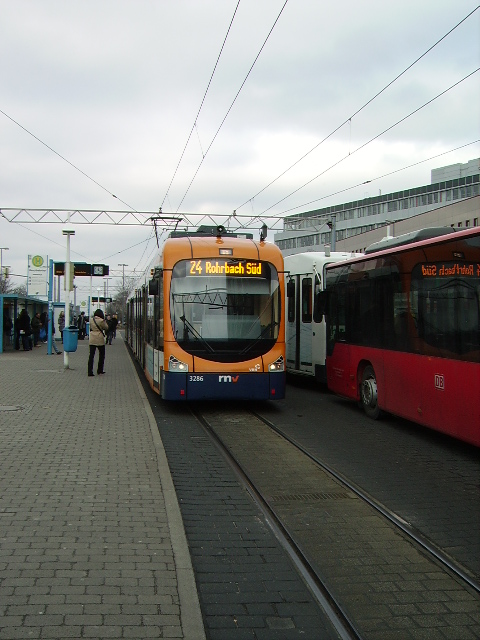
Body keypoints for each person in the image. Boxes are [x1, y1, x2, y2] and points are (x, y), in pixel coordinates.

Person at [88, 309, 109, 376]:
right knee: (102, 355)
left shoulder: (91, 320)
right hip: (99, 338)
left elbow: (90, 328)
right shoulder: (101, 321)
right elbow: (106, 327)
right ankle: (100, 370)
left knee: (91, 356)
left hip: (92, 338)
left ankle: (90, 371)